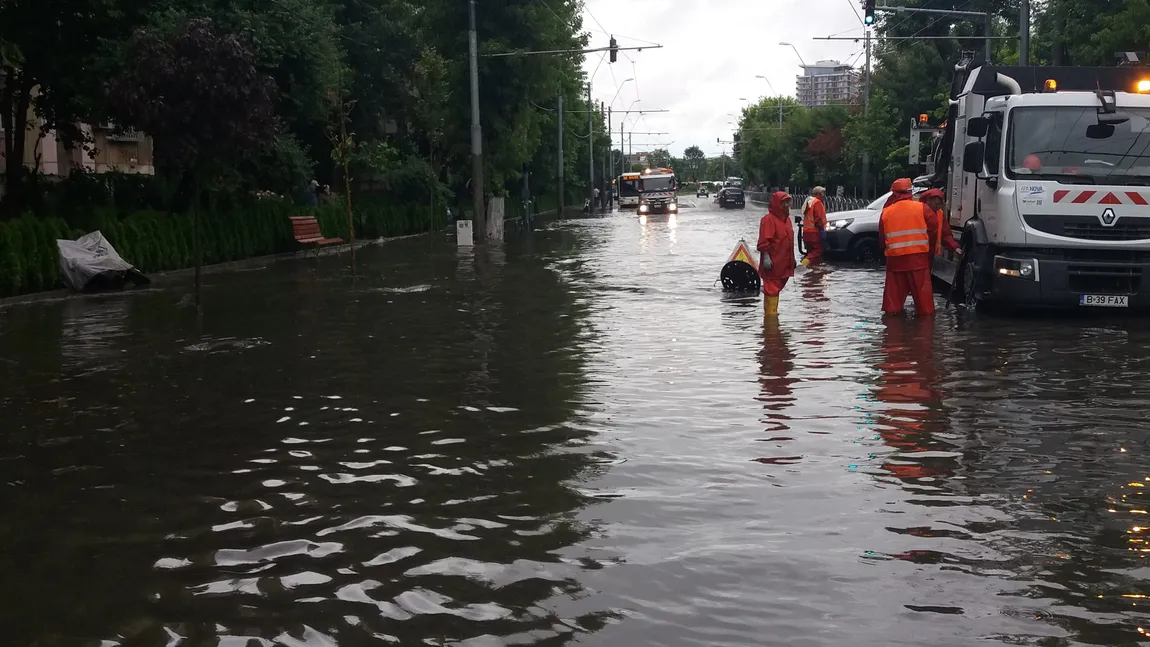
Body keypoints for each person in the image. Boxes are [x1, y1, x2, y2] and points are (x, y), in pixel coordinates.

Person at [879, 178, 938, 316]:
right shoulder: (922, 208)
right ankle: (924, 332)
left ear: (894, 193)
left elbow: (882, 240)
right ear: (910, 192)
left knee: (892, 307)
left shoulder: (886, 212)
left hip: (895, 262)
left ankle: (891, 333)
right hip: (918, 260)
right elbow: (934, 229)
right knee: (925, 307)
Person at [757, 191, 796, 317]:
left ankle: (772, 323)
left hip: (784, 263)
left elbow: (789, 241)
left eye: (788, 202)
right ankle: (771, 323)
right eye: (784, 202)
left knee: (776, 289)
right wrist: (766, 258)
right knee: (771, 290)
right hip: (773, 264)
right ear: (778, 204)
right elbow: (764, 241)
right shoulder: (768, 220)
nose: (787, 205)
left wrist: (792, 259)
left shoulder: (787, 220)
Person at [918, 188, 960, 255]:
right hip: (919, 254)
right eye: (937, 204)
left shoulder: (939, 214)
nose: (939, 207)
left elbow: (945, 234)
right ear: (928, 201)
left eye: (940, 204)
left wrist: (955, 247)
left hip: (931, 255)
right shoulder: (918, 213)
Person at [800, 186, 828, 267]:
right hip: (814, 232)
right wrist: (822, 232)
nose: (824, 195)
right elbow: (819, 219)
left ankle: (814, 272)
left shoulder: (809, 201)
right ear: (817, 194)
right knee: (818, 250)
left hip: (806, 232)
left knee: (812, 253)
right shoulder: (817, 202)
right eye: (823, 193)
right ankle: (803, 265)